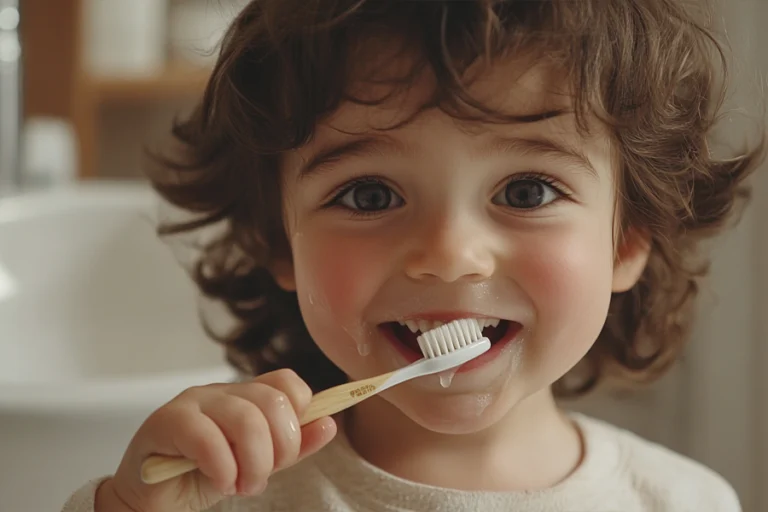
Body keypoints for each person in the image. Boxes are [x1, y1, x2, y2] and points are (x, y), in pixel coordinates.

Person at [63, 0, 764, 510]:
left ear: (627, 238)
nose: (450, 256)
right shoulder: (222, 495)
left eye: (526, 190)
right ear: (277, 239)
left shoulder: (686, 501)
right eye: (369, 196)